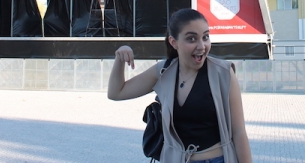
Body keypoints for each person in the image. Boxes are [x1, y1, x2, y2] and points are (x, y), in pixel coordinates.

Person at [108, 8, 252, 163]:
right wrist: (120, 57)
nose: (201, 46)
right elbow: (116, 93)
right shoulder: (163, 71)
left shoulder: (223, 72)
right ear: (174, 42)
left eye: (205, 37)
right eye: (191, 39)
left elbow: (239, 132)